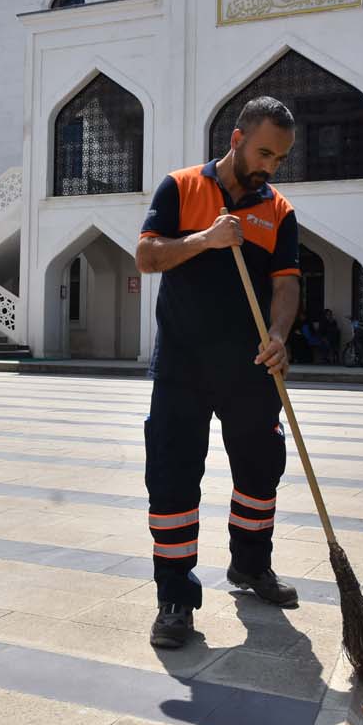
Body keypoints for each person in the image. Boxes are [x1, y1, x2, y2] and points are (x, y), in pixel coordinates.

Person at [136, 96, 301, 649]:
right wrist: (206, 239)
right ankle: (175, 597)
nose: (270, 167)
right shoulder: (180, 188)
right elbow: (147, 256)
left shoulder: (278, 210)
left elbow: (286, 283)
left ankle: (251, 567)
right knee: (173, 474)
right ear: (235, 139)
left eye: (279, 158)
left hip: (250, 368)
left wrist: (278, 335)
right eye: (263, 153)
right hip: (182, 364)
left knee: (260, 471)